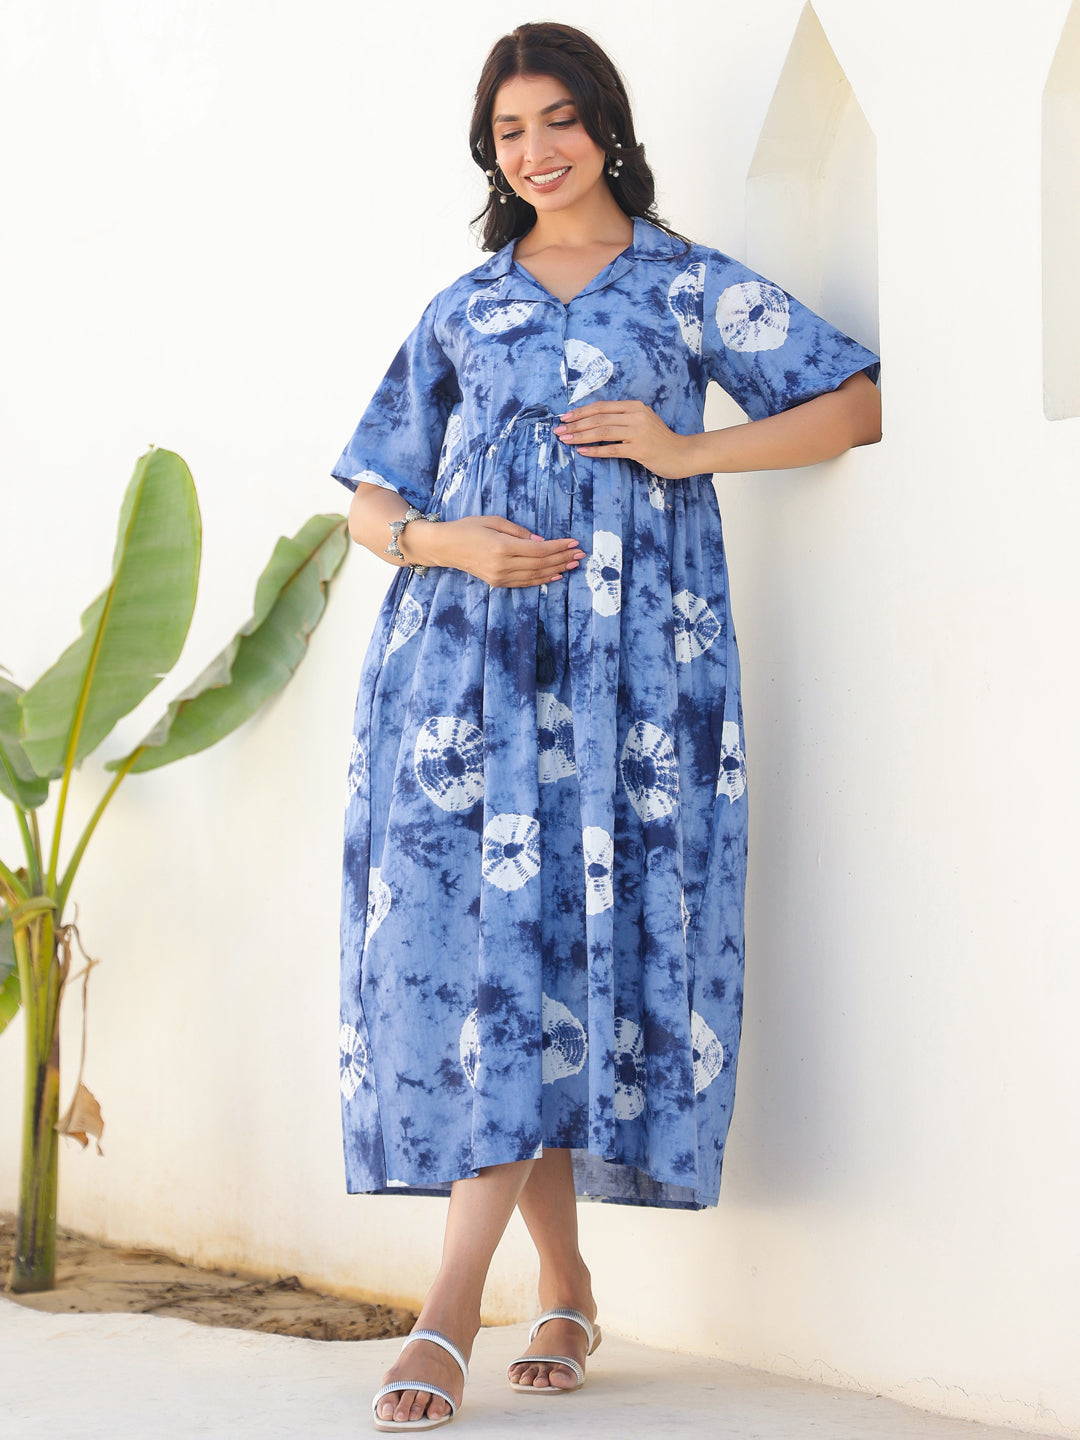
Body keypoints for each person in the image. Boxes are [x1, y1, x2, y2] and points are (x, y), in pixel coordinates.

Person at [332, 21, 881, 1432]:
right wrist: (449, 544)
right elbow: (372, 497)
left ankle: (489, 1299)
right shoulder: (463, 307)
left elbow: (852, 402)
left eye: (559, 120)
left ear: (606, 126)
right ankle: (526, 1288)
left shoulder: (686, 284)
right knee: (499, 965)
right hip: (464, 676)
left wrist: (692, 449)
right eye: (510, 131)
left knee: (572, 959)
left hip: (638, 680)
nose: (537, 151)